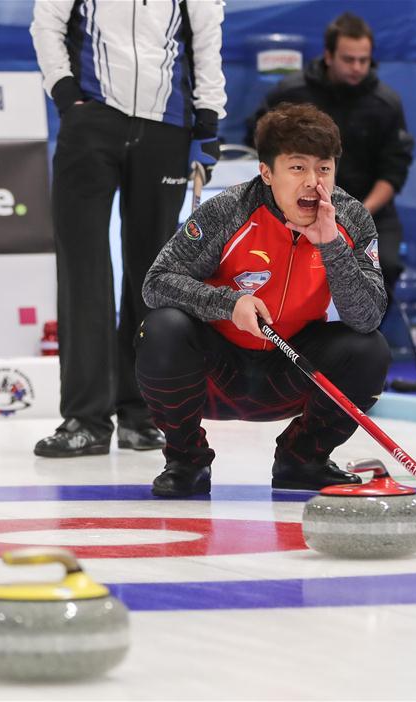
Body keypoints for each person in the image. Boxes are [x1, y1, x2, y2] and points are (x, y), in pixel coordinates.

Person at [136, 103, 390, 497]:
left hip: (290, 368)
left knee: (369, 348)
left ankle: (303, 459)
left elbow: (368, 316)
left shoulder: (350, 218)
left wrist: (332, 247)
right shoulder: (229, 210)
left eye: (323, 168)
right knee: (161, 328)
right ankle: (186, 461)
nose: (313, 182)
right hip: (216, 372)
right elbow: (156, 283)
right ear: (267, 172)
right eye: (297, 168)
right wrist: (227, 303)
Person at [29, 0, 226, 457]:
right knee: (84, 271)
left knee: (154, 277)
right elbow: (47, 25)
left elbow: (207, 40)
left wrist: (208, 123)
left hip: (167, 128)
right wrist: (64, 93)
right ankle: (85, 419)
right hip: (91, 122)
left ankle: (142, 414)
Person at [246, 12, 413, 305]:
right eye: (349, 59)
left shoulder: (386, 104)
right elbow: (261, 147)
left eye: (364, 60)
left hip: (367, 207)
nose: (357, 67)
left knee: (384, 266)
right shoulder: (290, 94)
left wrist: (358, 214)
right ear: (328, 55)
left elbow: (394, 170)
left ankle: (361, 338)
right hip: (296, 207)